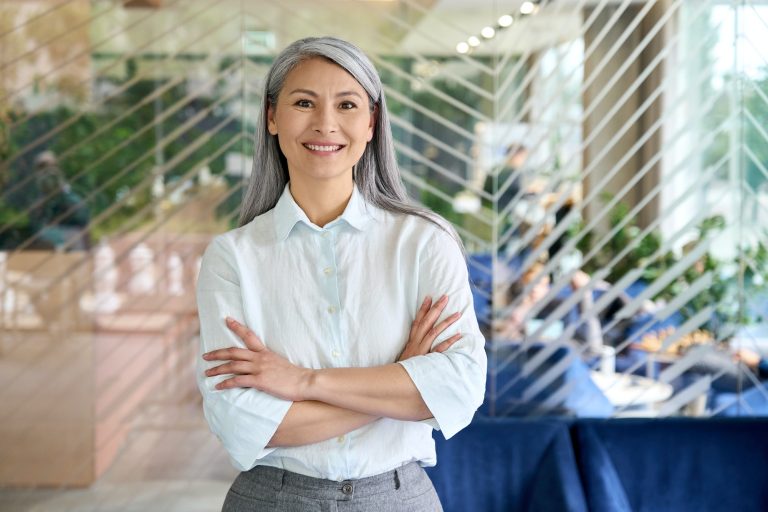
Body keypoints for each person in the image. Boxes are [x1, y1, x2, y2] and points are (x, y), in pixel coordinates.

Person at [196, 37, 487, 511]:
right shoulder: (232, 258)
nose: (325, 123)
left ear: (371, 122)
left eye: (347, 104)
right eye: (304, 102)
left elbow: (458, 389)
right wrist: (398, 383)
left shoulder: (425, 243)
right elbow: (240, 422)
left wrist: (303, 383)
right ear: (272, 117)